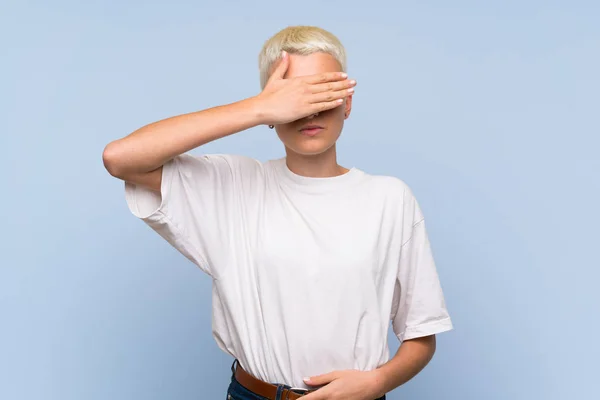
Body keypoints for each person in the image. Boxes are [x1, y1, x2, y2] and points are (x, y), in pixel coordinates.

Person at [103, 25, 453, 400]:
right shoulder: (233, 186)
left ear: (347, 102)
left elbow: (421, 334)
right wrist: (256, 108)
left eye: (323, 91)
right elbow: (121, 158)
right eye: (294, 96)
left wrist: (378, 382)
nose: (309, 109)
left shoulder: (390, 198)